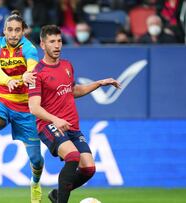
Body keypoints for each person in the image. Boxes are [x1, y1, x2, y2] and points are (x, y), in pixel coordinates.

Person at [28, 25, 121, 203]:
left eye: (59, 41)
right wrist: (56, 120)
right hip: (49, 126)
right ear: (42, 44)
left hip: (72, 127)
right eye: (52, 41)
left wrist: (100, 83)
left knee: (88, 168)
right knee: (72, 156)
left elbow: (73, 90)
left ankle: (57, 195)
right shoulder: (37, 73)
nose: (57, 45)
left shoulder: (67, 66)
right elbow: (34, 107)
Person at [0, 10, 44, 203]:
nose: (13, 34)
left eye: (17, 30)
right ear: (4, 30)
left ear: (23, 32)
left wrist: (27, 76)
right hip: (2, 102)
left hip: (26, 108)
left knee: (36, 160)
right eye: (10, 30)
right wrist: (11, 80)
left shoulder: (29, 48)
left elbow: (31, 70)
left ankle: (35, 184)